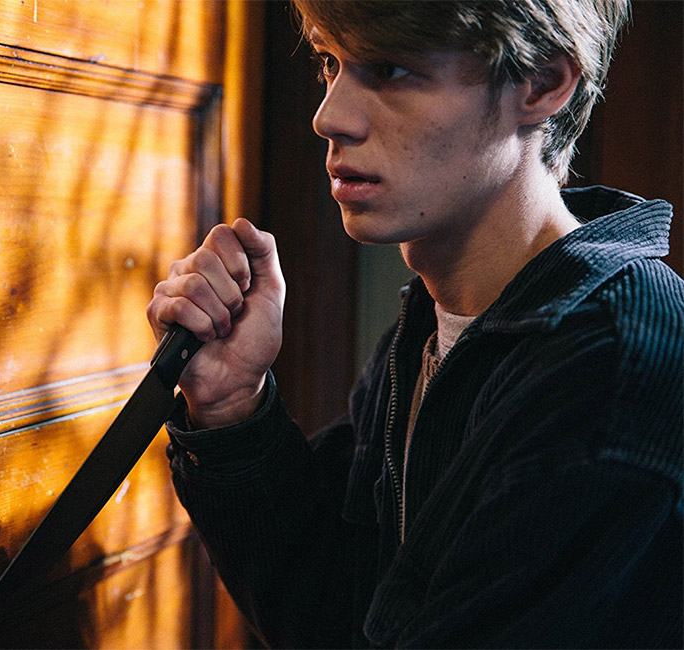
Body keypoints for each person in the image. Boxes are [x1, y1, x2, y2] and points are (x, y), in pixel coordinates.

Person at [145, 1, 683, 647]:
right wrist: (233, 405)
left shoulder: (612, 370)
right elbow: (335, 615)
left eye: (390, 69)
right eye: (329, 61)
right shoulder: (440, 324)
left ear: (541, 82)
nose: (328, 117)